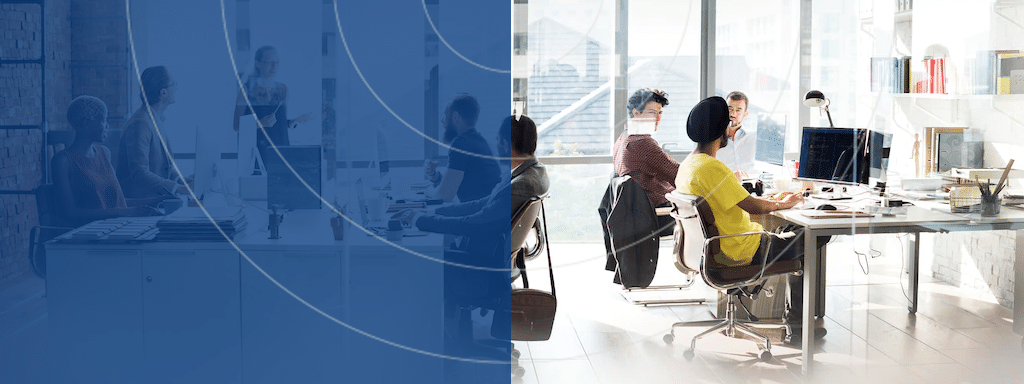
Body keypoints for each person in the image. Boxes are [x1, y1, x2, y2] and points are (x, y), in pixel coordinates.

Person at [674, 96, 827, 346]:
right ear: (722, 130)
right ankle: (798, 327)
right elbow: (753, 205)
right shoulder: (712, 168)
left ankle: (798, 324)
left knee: (793, 230)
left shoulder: (689, 165)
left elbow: (740, 200)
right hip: (742, 249)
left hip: (714, 250)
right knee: (815, 233)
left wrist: (775, 201)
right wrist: (783, 203)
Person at [400, 114, 548, 258]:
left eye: (497, 141)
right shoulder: (535, 172)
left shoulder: (520, 185)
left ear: (505, 145)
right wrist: (433, 211)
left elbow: (474, 225)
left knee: (415, 254)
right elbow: (481, 204)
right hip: (493, 250)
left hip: (482, 257)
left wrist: (419, 220)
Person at [52, 96, 162, 228]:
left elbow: (117, 204)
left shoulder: (104, 153)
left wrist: (156, 201)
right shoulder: (62, 161)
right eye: (104, 120)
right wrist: (124, 212)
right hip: (85, 233)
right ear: (87, 123)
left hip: (113, 227)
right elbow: (71, 213)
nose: (107, 126)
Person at [117, 66, 192, 199]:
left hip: (154, 199)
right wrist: (177, 188)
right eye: (174, 84)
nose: (176, 88)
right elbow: (139, 173)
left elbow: (160, 167)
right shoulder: (140, 123)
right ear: (163, 93)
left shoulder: (154, 120)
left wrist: (180, 180)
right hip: (140, 203)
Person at [612, 88, 677, 235]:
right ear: (636, 113)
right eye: (652, 113)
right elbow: (678, 174)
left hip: (639, 215)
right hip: (657, 217)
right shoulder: (642, 143)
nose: (658, 119)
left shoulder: (623, 138)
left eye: (660, 113)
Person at [232, 45, 313, 163]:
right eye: (270, 62)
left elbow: (278, 123)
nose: (275, 66)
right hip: (256, 156)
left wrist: (293, 121)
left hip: (281, 154)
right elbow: (236, 126)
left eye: (277, 62)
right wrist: (260, 124)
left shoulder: (283, 89)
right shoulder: (246, 90)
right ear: (258, 63)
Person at [424, 93, 502, 203]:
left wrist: (429, 191)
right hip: (485, 207)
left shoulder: (461, 143)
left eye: (445, 115)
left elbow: (445, 195)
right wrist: (435, 176)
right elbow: (456, 182)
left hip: (478, 211)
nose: (442, 120)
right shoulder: (479, 141)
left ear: (455, 116)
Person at [715, 91, 757, 180]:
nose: (732, 114)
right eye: (729, 109)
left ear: (745, 114)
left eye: (738, 110)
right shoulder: (713, 139)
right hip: (723, 184)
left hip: (750, 183)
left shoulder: (754, 138)